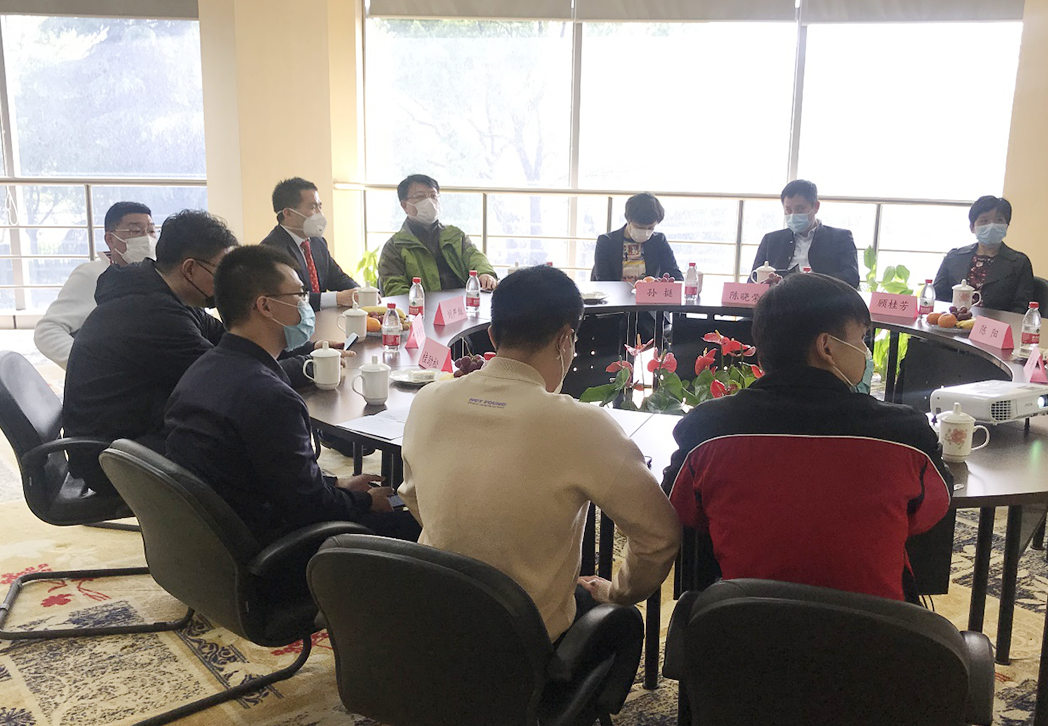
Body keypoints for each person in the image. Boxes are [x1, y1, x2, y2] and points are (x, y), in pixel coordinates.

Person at [399, 265, 680, 641]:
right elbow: (659, 537)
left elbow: (413, 495)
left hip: (430, 624)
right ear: (565, 340)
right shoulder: (582, 425)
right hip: (523, 644)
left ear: (493, 334)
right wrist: (617, 593)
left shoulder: (428, 400)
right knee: (621, 624)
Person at [664, 272, 950, 604]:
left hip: (743, 628)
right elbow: (930, 511)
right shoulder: (904, 434)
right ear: (827, 347)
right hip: (877, 631)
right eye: (861, 339)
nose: (865, 352)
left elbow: (683, 509)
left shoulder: (708, 429)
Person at [63, 210, 334, 495]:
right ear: (190, 269)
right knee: (248, 446)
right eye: (221, 270)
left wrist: (312, 348)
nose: (228, 281)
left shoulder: (165, 294)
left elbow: (236, 340)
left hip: (133, 435)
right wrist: (310, 365)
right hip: (114, 457)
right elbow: (233, 378)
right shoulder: (153, 314)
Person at [165, 245, 420, 545]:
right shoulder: (270, 397)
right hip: (280, 546)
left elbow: (278, 475)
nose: (305, 305)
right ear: (266, 306)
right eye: (299, 295)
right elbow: (310, 508)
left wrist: (336, 483)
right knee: (422, 525)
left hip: (220, 537)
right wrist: (365, 501)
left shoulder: (202, 370)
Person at [34, 202, 157, 368]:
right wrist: (90, 365)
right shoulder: (93, 274)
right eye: (135, 231)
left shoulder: (159, 275)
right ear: (110, 239)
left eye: (151, 231)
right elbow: (47, 330)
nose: (146, 239)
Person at [378, 174, 497, 296]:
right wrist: (417, 302)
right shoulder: (395, 247)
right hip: (421, 306)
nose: (429, 202)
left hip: (463, 303)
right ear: (404, 205)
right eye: (420, 197)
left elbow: (474, 256)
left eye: (433, 196)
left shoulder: (455, 236)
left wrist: (485, 273)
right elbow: (395, 288)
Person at [261, 177, 359, 311]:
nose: (319, 213)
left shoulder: (318, 242)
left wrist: (360, 292)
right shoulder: (271, 249)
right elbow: (289, 298)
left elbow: (337, 278)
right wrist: (336, 298)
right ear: (288, 213)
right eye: (312, 207)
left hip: (322, 320)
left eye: (320, 206)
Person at [933, 195, 1035, 313]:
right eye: (984, 221)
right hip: (953, 322)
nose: (992, 225)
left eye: (999, 220)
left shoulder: (1019, 263)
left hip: (998, 324)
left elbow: (1021, 307)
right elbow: (937, 296)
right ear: (972, 227)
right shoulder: (954, 257)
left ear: (1006, 226)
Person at [752, 179, 859, 288]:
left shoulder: (840, 238)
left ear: (816, 207)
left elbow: (852, 277)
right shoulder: (770, 240)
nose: (793, 215)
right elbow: (753, 280)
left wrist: (812, 281)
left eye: (799, 209)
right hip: (779, 296)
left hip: (823, 296)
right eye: (788, 210)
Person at [591, 193, 682, 283]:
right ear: (628, 219)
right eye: (639, 227)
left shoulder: (658, 241)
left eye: (651, 228)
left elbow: (676, 275)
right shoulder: (606, 241)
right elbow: (603, 280)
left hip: (649, 292)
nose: (645, 232)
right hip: (614, 292)